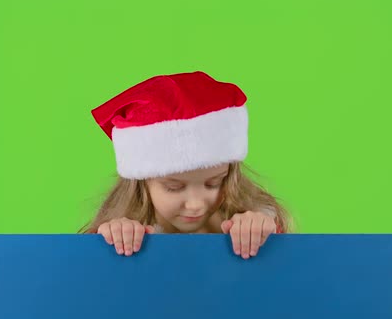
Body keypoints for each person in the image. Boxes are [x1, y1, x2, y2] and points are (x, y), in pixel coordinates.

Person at [79, 71, 294, 259]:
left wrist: (260, 231)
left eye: (213, 183)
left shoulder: (242, 219)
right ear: (140, 183)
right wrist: (111, 239)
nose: (195, 204)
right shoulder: (125, 227)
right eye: (174, 187)